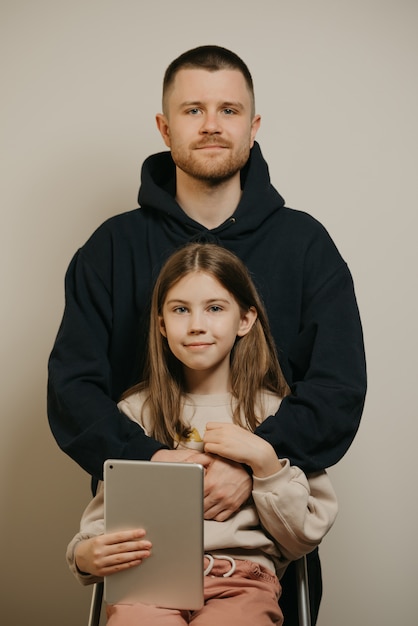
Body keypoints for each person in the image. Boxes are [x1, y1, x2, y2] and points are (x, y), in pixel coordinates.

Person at [48, 45, 366, 623]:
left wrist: (253, 465)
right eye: (193, 110)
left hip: (257, 547)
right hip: (142, 530)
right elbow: (72, 395)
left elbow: (338, 392)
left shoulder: (306, 247)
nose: (213, 125)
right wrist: (154, 464)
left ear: (254, 126)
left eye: (229, 110)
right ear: (165, 127)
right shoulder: (110, 250)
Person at [66, 242, 338, 626]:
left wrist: (263, 463)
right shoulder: (134, 414)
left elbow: (303, 537)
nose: (196, 324)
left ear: (245, 320)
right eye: (180, 309)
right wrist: (84, 555)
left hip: (242, 582)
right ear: (161, 324)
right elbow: (101, 524)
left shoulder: (278, 414)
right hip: (149, 584)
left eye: (214, 308)